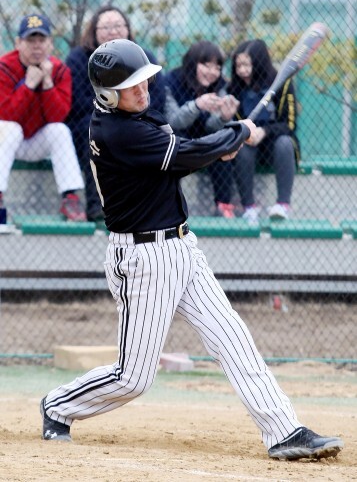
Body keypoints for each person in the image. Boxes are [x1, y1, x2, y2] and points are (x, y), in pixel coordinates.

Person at [40, 39, 343, 462]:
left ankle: (283, 431)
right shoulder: (116, 131)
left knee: (232, 337)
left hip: (182, 247)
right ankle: (58, 406)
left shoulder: (138, 115)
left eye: (145, 80)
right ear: (109, 94)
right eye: (132, 86)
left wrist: (221, 144)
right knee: (134, 378)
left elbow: (185, 154)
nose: (143, 90)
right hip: (143, 260)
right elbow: (183, 152)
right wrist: (236, 133)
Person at [66, 5, 166, 222]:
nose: (113, 31)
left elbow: (157, 97)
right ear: (94, 31)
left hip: (138, 119)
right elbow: (76, 100)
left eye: (118, 25)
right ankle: (97, 206)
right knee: (92, 133)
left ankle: (148, 207)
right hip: (94, 120)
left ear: (128, 29)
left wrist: (131, 111)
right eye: (106, 27)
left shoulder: (143, 56)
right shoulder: (79, 58)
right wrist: (114, 109)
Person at [0, 13, 86, 222]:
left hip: (38, 141)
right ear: (18, 43)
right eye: (31, 40)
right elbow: (5, 114)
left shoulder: (59, 71)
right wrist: (29, 85)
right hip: (8, 140)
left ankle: (70, 197)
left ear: (50, 44)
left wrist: (47, 83)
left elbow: (58, 116)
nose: (37, 46)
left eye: (42, 40)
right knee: (10, 128)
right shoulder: (4, 67)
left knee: (60, 131)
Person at [228, 39, 301, 223]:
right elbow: (232, 125)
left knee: (285, 142)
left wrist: (265, 131)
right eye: (238, 65)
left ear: (259, 62)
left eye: (247, 64)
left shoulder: (282, 83)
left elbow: (289, 124)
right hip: (249, 145)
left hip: (275, 145)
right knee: (241, 148)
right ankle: (249, 208)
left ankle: (282, 205)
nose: (242, 70)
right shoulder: (234, 88)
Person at [164, 40, 238, 218]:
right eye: (206, 65)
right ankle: (168, 205)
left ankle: (223, 204)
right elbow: (173, 120)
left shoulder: (220, 86)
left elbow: (212, 126)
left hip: (205, 139)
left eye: (217, 67)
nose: (213, 72)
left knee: (222, 138)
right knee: (173, 137)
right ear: (192, 63)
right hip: (178, 138)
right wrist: (197, 105)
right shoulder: (170, 81)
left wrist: (224, 117)